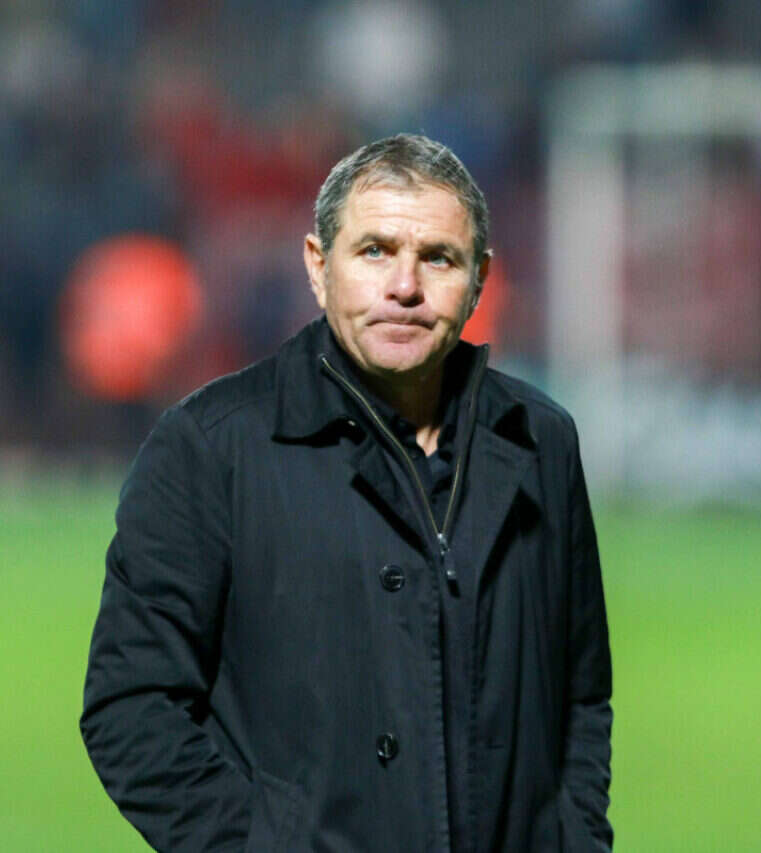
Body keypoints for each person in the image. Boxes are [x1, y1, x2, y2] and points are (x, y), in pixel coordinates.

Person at [81, 134, 613, 852]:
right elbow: (131, 708)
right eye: (374, 251)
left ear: (480, 279)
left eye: (438, 258)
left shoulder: (541, 441)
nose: (405, 286)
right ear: (317, 265)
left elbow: (580, 697)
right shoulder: (211, 446)